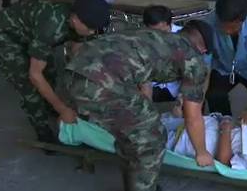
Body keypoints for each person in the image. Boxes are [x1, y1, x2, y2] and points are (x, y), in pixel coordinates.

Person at [60, 21, 215, 191]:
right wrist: (201, 152)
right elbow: (193, 117)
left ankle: (135, 182)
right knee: (153, 138)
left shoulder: (154, 35)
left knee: (134, 133)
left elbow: (138, 71)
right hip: (101, 83)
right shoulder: (193, 59)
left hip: (71, 73)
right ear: (203, 50)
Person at [0, 0, 110, 144]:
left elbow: (76, 55)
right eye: (90, 28)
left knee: (50, 74)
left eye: (96, 29)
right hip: (6, 34)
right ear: (75, 20)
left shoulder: (81, 23)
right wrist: (62, 109)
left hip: (34, 34)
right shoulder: (52, 27)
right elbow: (35, 75)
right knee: (29, 86)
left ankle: (50, 106)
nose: (92, 32)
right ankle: (43, 132)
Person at [165, 111, 247, 169]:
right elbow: (241, 127)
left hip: (186, 141)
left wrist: (226, 129)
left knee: (149, 134)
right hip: (199, 123)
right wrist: (246, 117)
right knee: (157, 121)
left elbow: (224, 162)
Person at [143, 5, 184, 102]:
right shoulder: (142, 39)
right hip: (151, 86)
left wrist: (181, 99)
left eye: (164, 32)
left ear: (170, 24)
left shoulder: (183, 37)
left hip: (177, 88)